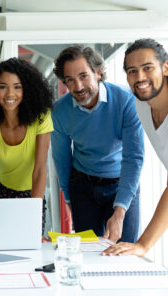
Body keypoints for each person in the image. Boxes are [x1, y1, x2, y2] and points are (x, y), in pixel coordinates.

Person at [51, 45, 144, 243]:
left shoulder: (126, 101)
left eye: (83, 76)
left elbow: (133, 157)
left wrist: (119, 212)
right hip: (83, 186)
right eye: (70, 80)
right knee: (89, 252)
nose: (77, 87)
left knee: (124, 250)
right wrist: (70, 199)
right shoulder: (60, 110)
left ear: (98, 72)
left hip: (122, 181)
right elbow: (61, 158)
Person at [0, 58, 54, 234]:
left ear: (27, 90)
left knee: (32, 242)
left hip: (32, 192)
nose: (10, 94)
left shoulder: (41, 117)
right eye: (2, 87)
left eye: (17, 87)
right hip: (0, 191)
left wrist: (35, 214)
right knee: (0, 239)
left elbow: (39, 170)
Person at [104, 39, 168, 256]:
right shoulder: (141, 103)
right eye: (132, 71)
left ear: (165, 67)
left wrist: (143, 245)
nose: (140, 77)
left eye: (147, 68)